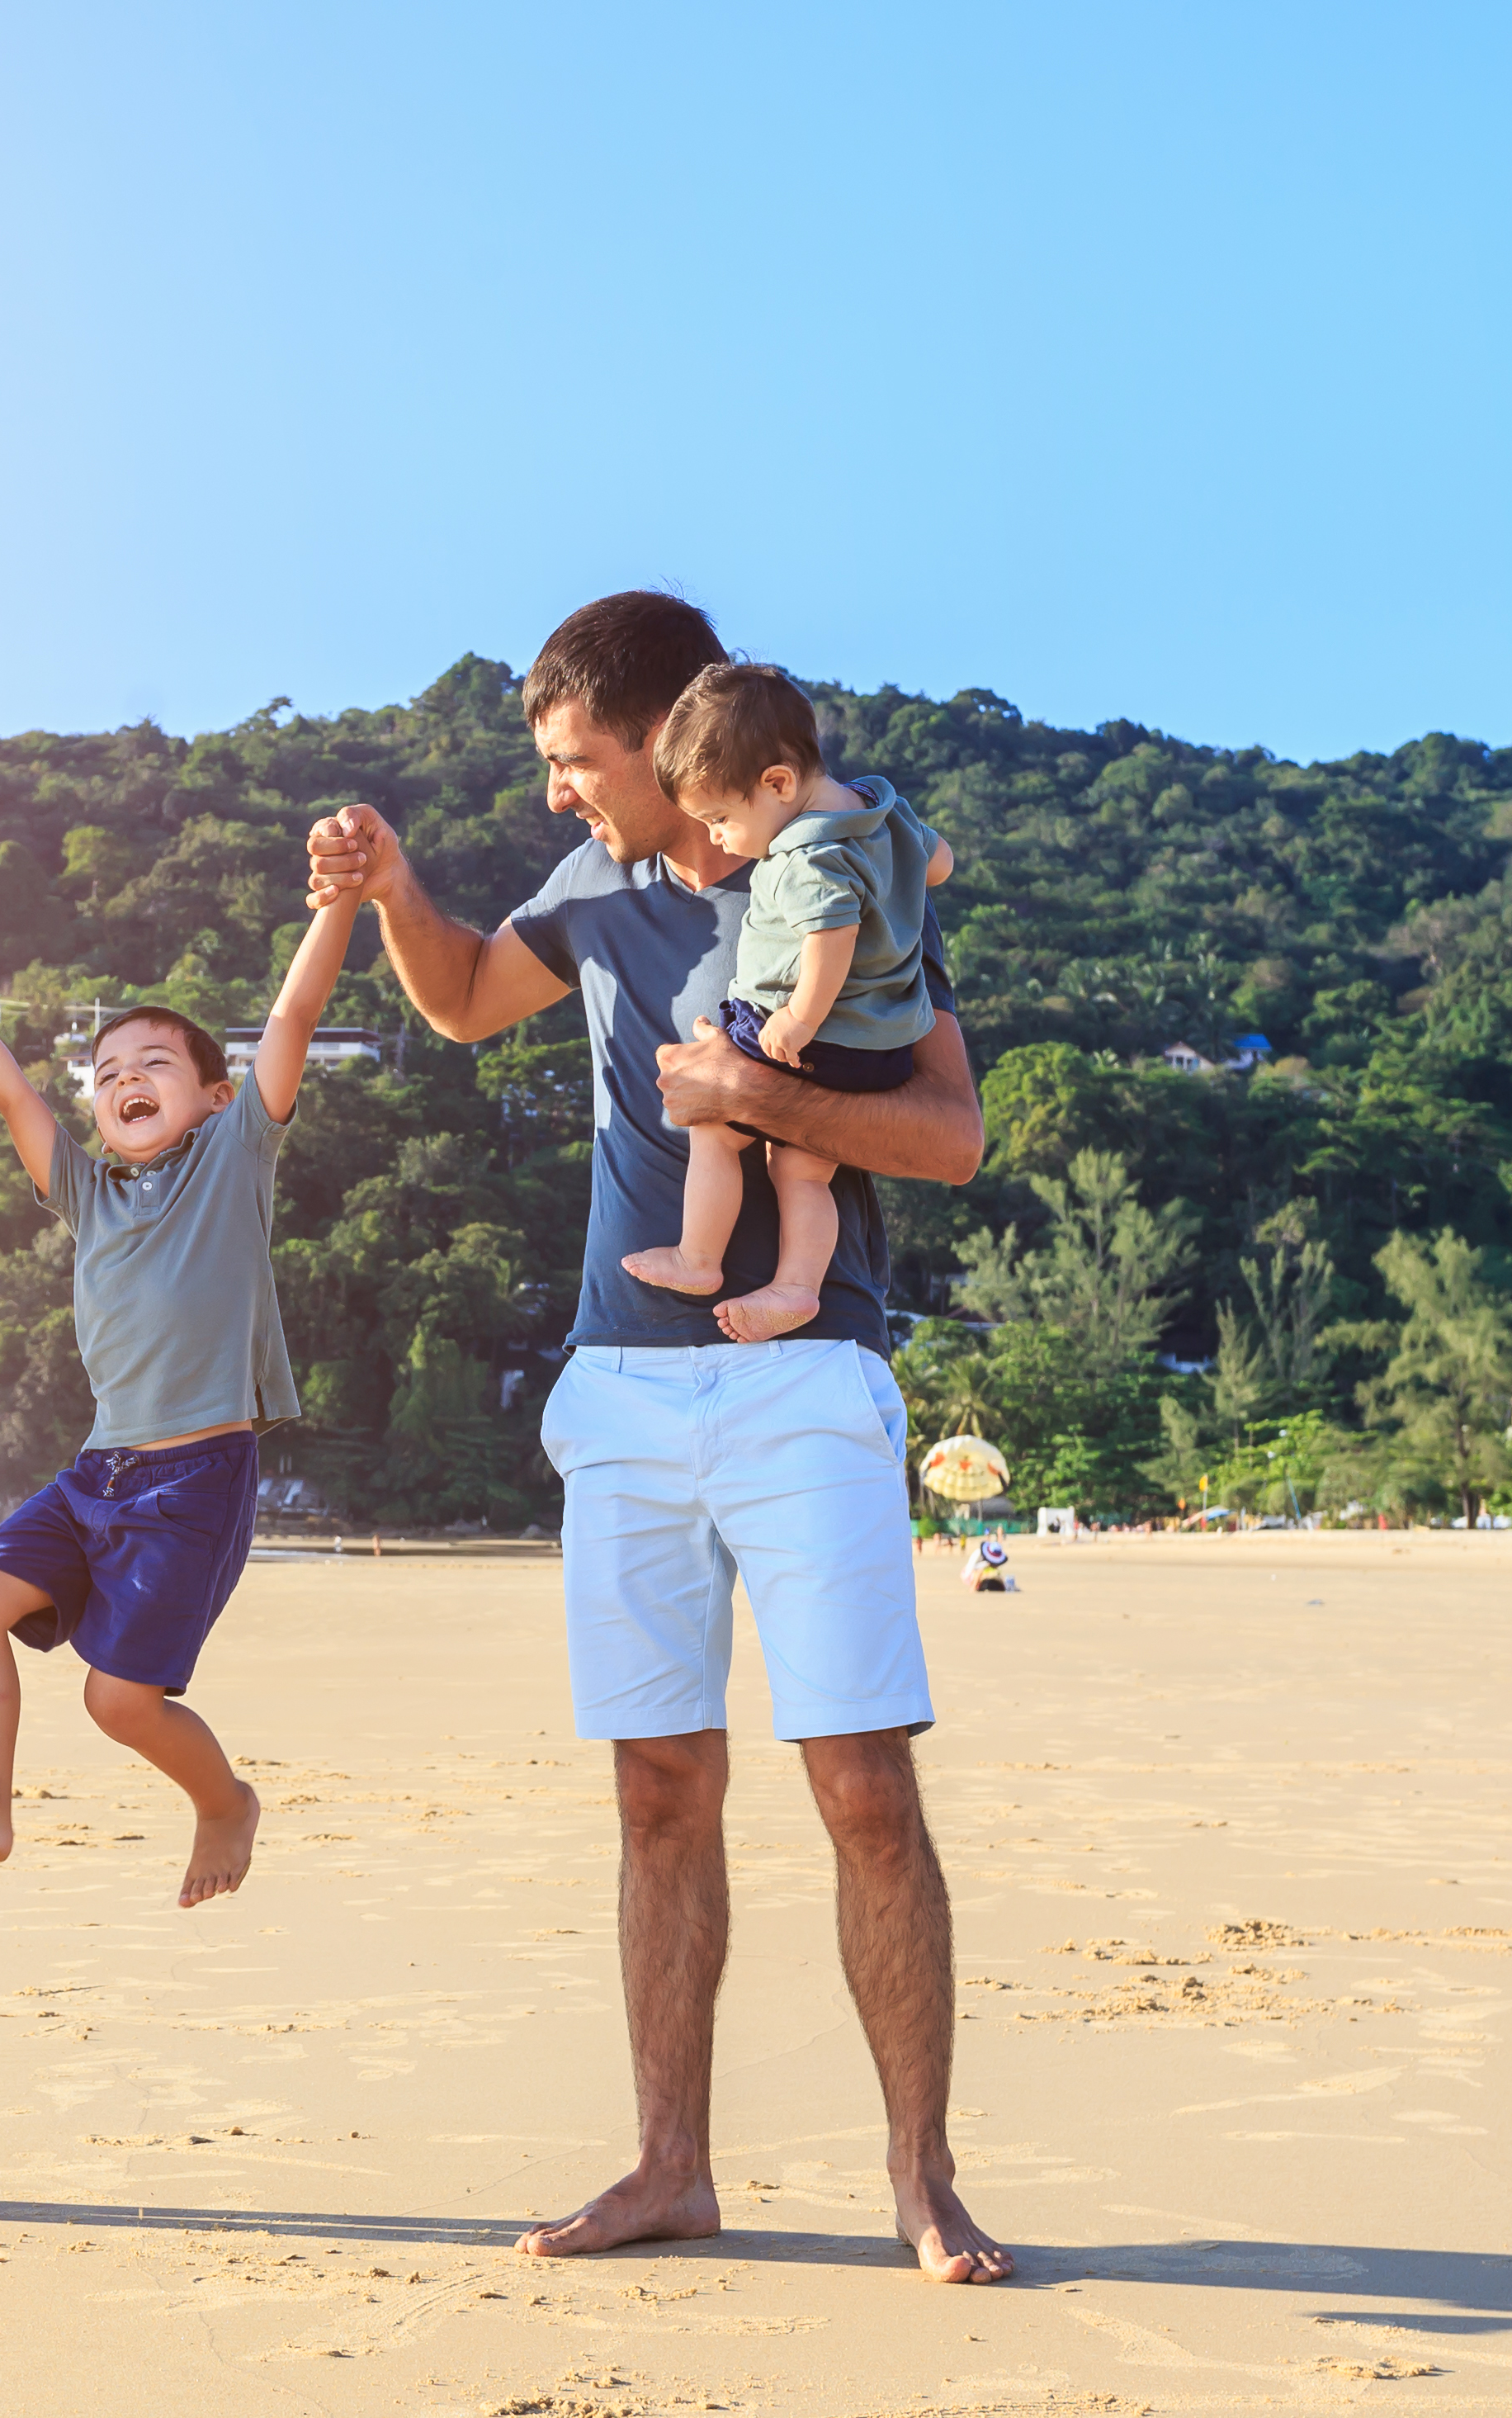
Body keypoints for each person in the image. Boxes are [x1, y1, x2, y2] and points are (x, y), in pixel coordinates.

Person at [304, 591, 1013, 2284]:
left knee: (858, 1783)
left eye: (576, 763)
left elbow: (953, 1134)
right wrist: (400, 893)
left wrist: (764, 1101)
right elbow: (470, 1002)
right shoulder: (590, 890)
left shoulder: (836, 869)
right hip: (622, 1386)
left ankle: (921, 2180)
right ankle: (669, 2167)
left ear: (672, 741)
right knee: (657, 1792)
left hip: (804, 1377)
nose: (560, 793)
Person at [0, 889, 358, 1909]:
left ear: (216, 1097)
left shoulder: (235, 1159)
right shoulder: (87, 1194)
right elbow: (11, 1097)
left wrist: (339, 900)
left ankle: (224, 1800)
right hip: (100, 1470)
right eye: (105, 1075)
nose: (124, 1080)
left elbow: (292, 1017)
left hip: (196, 1481)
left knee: (119, 1702)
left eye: (152, 1066)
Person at [627, 662, 957, 1342]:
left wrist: (797, 1019)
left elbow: (828, 936)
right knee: (802, 1169)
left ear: (776, 783)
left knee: (715, 1129)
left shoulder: (803, 855)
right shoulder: (881, 810)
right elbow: (939, 864)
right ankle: (796, 1287)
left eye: (719, 817)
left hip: (814, 1033)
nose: (716, 836)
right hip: (878, 1046)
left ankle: (698, 1258)